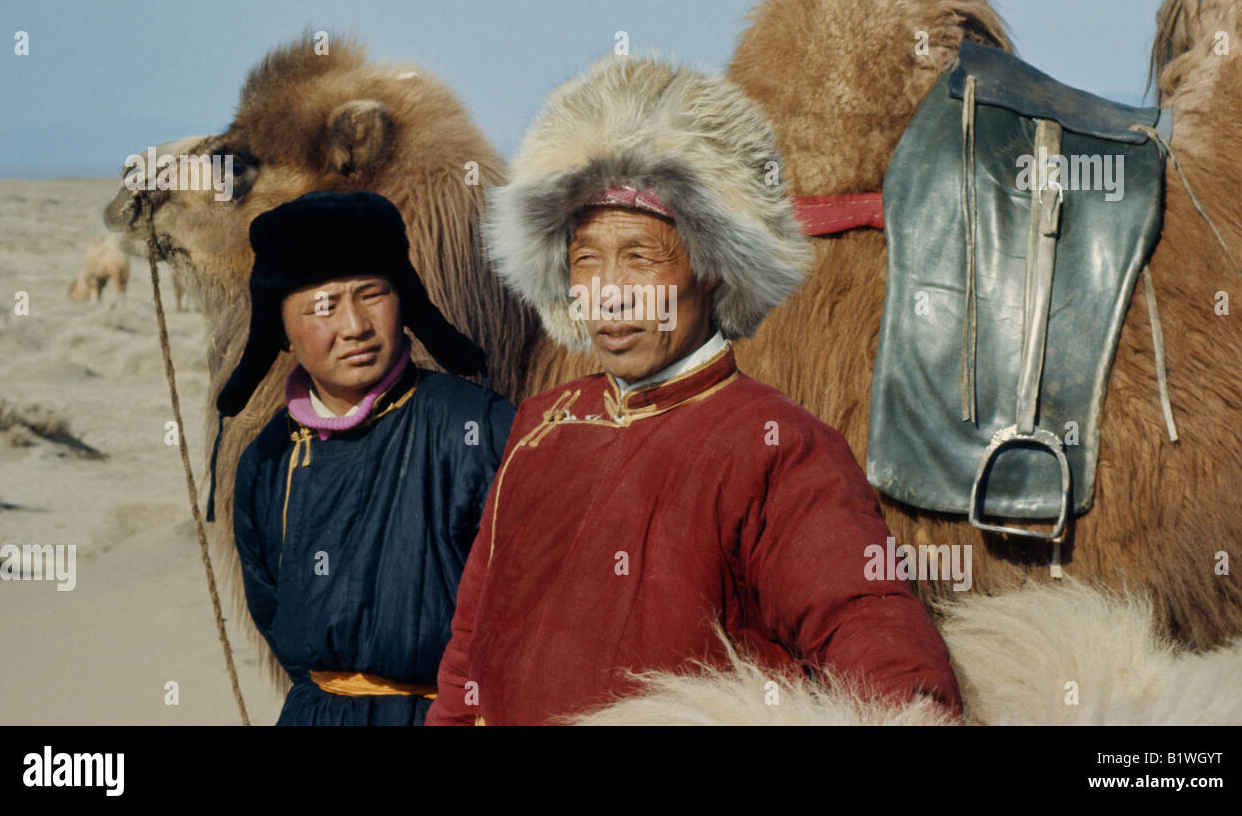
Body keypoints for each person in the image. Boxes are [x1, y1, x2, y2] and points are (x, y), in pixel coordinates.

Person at [426, 56, 963, 725]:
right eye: (587, 259)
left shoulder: (776, 447)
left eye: (639, 256)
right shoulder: (540, 427)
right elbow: (469, 651)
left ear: (710, 267)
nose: (610, 293)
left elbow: (870, 627)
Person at [209, 190, 514, 725]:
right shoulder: (268, 460)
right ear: (280, 328)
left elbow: (524, 604)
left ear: (407, 299)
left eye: (372, 295)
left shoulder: (477, 427)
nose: (354, 326)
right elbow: (272, 611)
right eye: (323, 306)